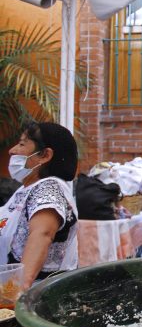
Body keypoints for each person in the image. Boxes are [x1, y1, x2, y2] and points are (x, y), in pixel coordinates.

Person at [0, 122, 79, 289]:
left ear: (45, 155)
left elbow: (42, 234)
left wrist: (16, 292)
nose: (12, 150)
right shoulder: (27, 188)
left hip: (35, 298)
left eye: (22, 144)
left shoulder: (49, 188)